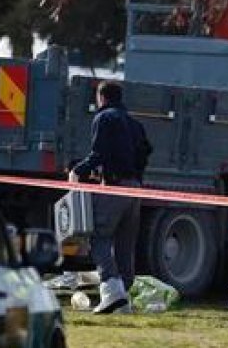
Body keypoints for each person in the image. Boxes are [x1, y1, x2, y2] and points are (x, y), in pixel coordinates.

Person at [69, 81, 150, 314]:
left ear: (101, 97)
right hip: (135, 188)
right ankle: (124, 296)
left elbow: (99, 152)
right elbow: (145, 153)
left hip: (114, 185)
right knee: (125, 244)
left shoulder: (104, 118)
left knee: (99, 237)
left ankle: (112, 291)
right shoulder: (135, 123)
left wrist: (79, 171)